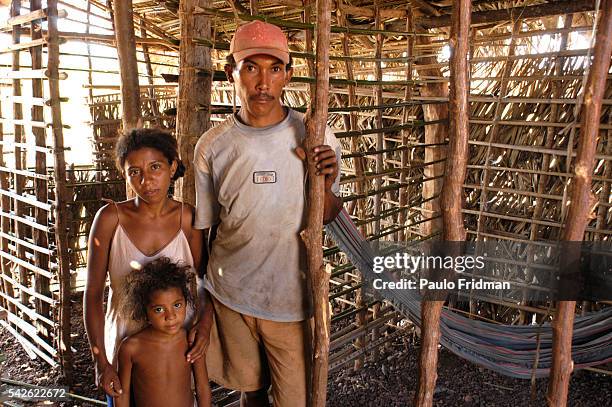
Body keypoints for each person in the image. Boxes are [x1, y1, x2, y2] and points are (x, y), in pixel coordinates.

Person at [193, 21, 342, 407]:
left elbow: (328, 215)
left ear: (288, 75)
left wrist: (323, 183)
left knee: (297, 400)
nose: (263, 82)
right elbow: (205, 231)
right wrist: (204, 297)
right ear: (231, 73)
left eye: (274, 69)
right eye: (251, 68)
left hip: (292, 300)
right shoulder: (213, 146)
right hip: (233, 294)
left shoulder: (316, 137)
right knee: (251, 391)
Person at [84, 128, 212, 406]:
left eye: (155, 167)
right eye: (135, 172)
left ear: (172, 166)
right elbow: (92, 293)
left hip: (177, 351)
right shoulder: (110, 220)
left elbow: (204, 281)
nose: (146, 180)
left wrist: (204, 325)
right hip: (123, 348)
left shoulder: (187, 219)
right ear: (125, 175)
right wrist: (100, 361)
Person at [114, 257, 211, 407]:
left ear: (186, 302)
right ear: (144, 311)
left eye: (177, 305)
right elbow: (123, 393)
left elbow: (202, 387)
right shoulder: (131, 348)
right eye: (159, 309)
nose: (170, 316)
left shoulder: (191, 341)